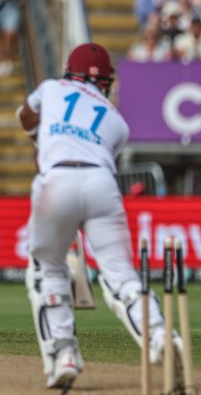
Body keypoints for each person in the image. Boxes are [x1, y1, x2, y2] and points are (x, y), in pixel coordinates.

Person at [16, 43, 183, 389]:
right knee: (122, 277)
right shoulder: (117, 122)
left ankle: (64, 352)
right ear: (104, 80)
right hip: (102, 185)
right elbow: (93, 149)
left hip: (56, 180)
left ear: (68, 70)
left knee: (46, 268)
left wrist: (39, 135)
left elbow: (24, 117)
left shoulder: (50, 89)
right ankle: (161, 337)